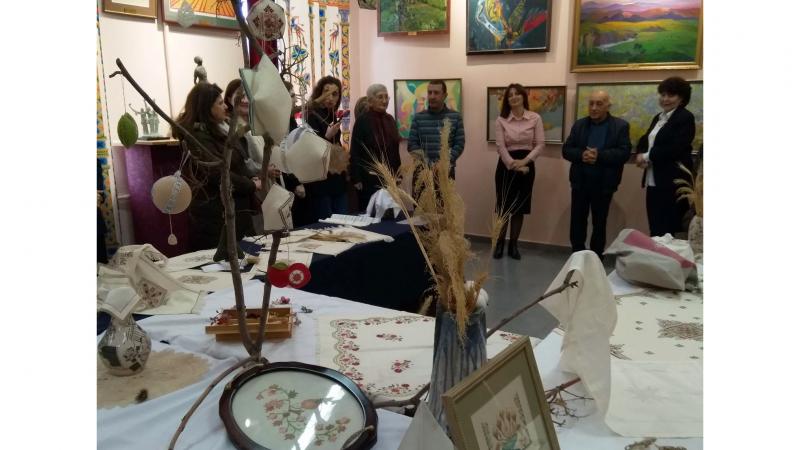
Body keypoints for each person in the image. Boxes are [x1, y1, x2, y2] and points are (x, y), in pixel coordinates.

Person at [172, 82, 261, 251]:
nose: (226, 106)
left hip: (236, 208)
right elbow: (216, 173)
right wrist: (250, 184)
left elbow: (237, 162)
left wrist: (251, 177)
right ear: (207, 109)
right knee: (224, 260)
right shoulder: (197, 138)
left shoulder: (222, 129)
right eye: (220, 103)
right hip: (215, 214)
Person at [562, 90, 631, 259]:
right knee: (577, 221)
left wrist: (599, 156)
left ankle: (596, 258)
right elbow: (567, 150)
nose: (594, 108)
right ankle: (577, 257)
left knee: (599, 223)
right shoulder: (579, 125)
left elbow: (624, 153)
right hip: (580, 182)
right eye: (591, 103)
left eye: (599, 104)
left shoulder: (620, 126)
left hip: (604, 184)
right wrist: (582, 155)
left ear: (608, 106)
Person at [635, 77, 695, 237]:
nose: (665, 99)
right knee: (655, 227)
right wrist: (640, 153)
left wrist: (646, 156)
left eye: (671, 95)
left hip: (672, 182)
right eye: (663, 95)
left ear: (681, 98)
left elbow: (674, 148)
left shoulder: (685, 117)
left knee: (671, 229)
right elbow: (645, 140)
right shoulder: (659, 117)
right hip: (653, 180)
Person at [492, 84, 545, 260]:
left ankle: (513, 245)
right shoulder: (501, 120)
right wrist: (514, 164)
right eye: (510, 95)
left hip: (527, 165)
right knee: (504, 208)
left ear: (523, 97)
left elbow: (540, 144)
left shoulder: (535, 118)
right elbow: (500, 147)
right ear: (507, 100)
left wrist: (525, 161)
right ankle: (500, 244)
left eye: (517, 94)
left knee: (519, 208)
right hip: (506, 166)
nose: (514, 97)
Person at [350, 84, 401, 211]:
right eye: (380, 97)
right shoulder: (362, 121)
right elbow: (355, 151)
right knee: (370, 213)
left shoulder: (390, 120)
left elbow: (395, 149)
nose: (384, 101)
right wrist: (356, 178)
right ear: (370, 101)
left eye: (386, 97)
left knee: (390, 213)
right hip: (368, 179)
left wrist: (399, 173)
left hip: (389, 177)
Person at [304, 76, 348, 221]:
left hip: (336, 177)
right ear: (319, 94)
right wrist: (328, 136)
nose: (330, 98)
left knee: (343, 223)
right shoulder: (312, 115)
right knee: (327, 225)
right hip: (321, 181)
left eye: (335, 94)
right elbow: (310, 150)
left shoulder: (332, 115)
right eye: (326, 92)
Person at [407, 80, 465, 180]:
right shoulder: (418, 118)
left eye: (436, 93)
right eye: (429, 92)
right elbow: (412, 145)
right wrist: (429, 164)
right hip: (422, 176)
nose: (432, 96)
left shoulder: (456, 117)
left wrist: (443, 163)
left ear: (445, 95)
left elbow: (459, 144)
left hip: (446, 174)